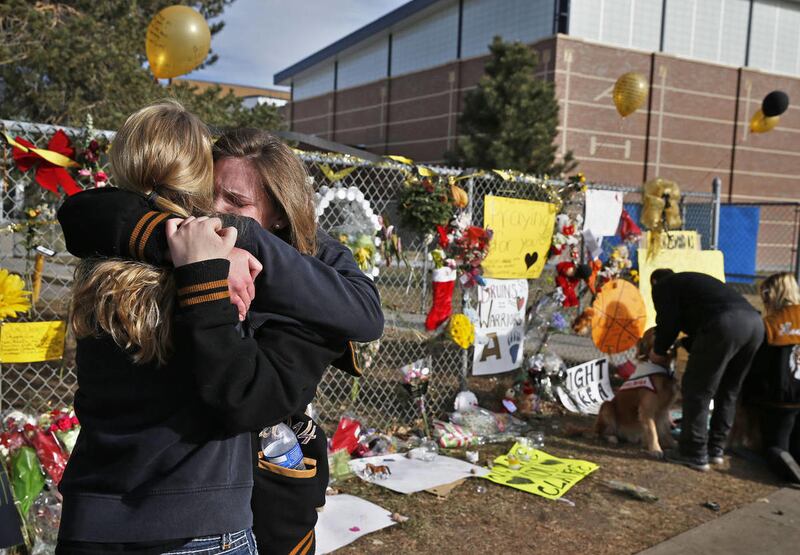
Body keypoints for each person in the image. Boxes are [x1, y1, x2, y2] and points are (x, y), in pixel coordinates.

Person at [57, 127, 383, 554]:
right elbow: (83, 212)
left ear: (279, 215)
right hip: (123, 510)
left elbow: (362, 315)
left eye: (236, 203)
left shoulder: (311, 287)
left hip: (255, 515)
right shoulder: (171, 244)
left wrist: (231, 245)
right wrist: (191, 247)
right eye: (206, 194)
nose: (212, 211)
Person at [57, 100, 267, 554]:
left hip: (92, 521)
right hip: (197, 523)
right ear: (201, 172)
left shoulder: (95, 267)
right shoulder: (223, 270)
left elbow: (82, 210)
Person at [648, 269, 764, 471]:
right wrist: (686, 342)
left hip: (725, 324)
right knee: (729, 390)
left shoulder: (664, 287)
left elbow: (668, 322)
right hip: (754, 325)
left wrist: (658, 350)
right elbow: (702, 327)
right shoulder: (695, 287)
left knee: (697, 389)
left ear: (655, 282)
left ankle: (693, 452)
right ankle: (716, 448)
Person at [743, 272, 800, 483]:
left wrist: (748, 396)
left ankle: (784, 464)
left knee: (774, 447)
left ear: (773, 294)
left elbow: (758, 367)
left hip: (779, 398)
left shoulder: (770, 325)